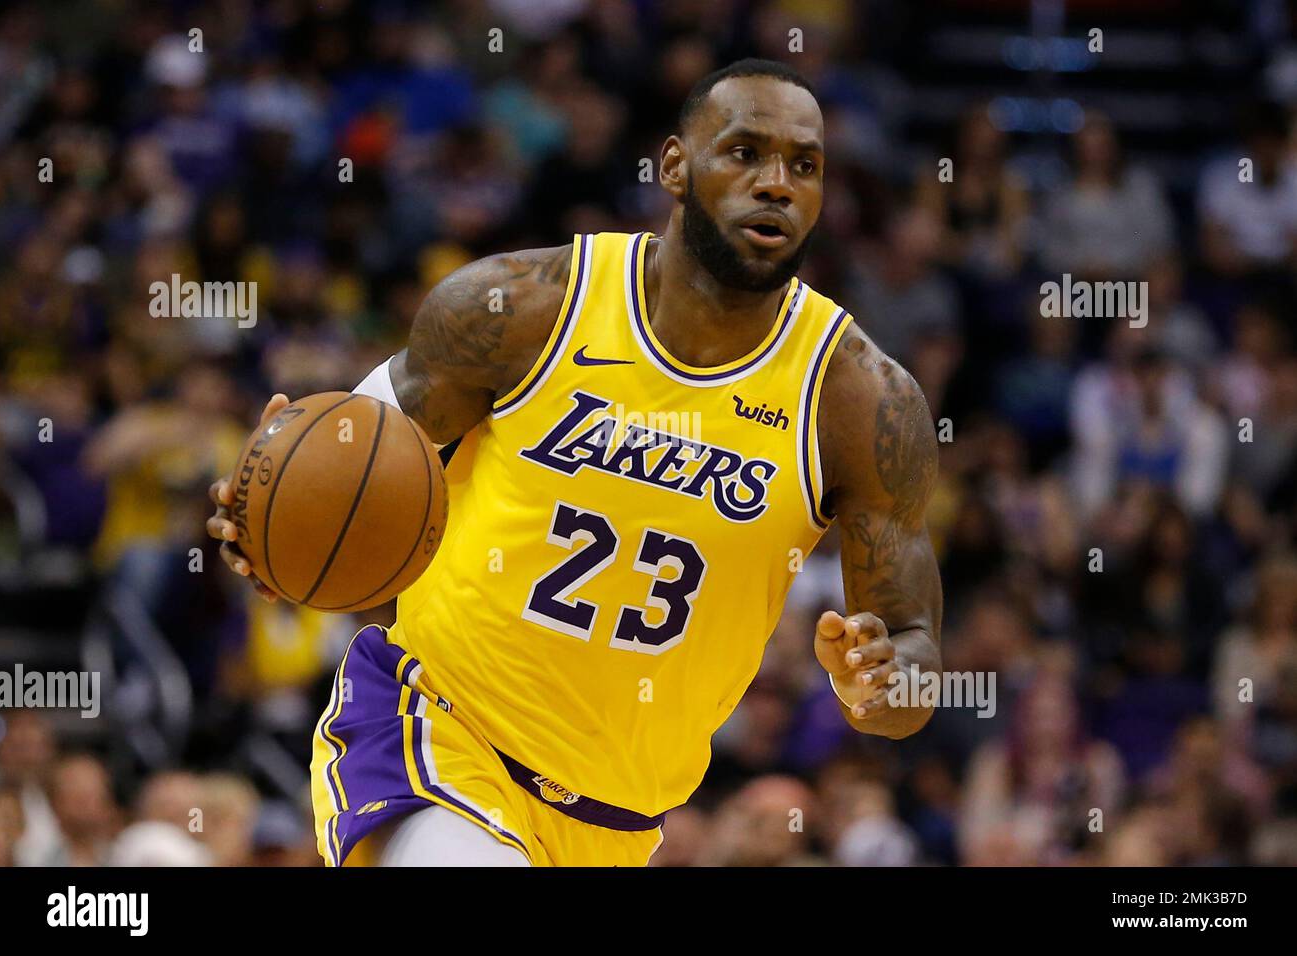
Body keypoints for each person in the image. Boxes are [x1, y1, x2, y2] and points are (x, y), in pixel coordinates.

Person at [206, 59, 943, 866]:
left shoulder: (862, 401)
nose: (776, 183)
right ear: (674, 167)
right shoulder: (521, 307)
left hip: (621, 821)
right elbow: (345, 462)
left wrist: (880, 680)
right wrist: (268, 512)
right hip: (433, 734)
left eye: (804, 165)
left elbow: (912, 658)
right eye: (743, 153)